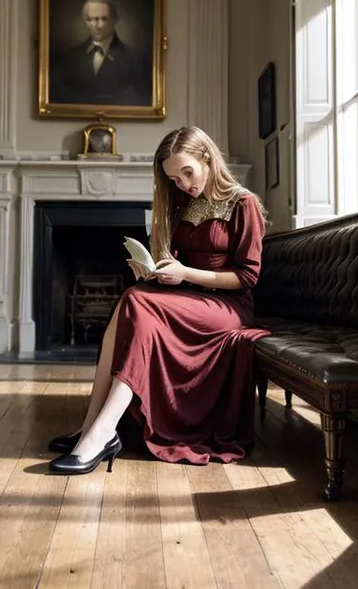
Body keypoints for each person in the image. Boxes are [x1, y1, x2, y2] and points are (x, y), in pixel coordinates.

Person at [47, 126, 271, 475]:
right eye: (174, 178)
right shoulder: (184, 204)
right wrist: (155, 272)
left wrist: (185, 275)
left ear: (207, 159)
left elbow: (247, 277)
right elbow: (177, 263)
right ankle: (91, 426)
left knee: (136, 302)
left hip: (228, 309)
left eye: (187, 173)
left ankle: (103, 431)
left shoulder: (244, 203)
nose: (183, 184)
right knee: (132, 297)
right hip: (187, 299)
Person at [49, 0, 151, 107]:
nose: (98, 26)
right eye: (91, 19)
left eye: (103, 19)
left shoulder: (136, 60)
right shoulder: (69, 58)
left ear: (114, 20)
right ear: (85, 21)